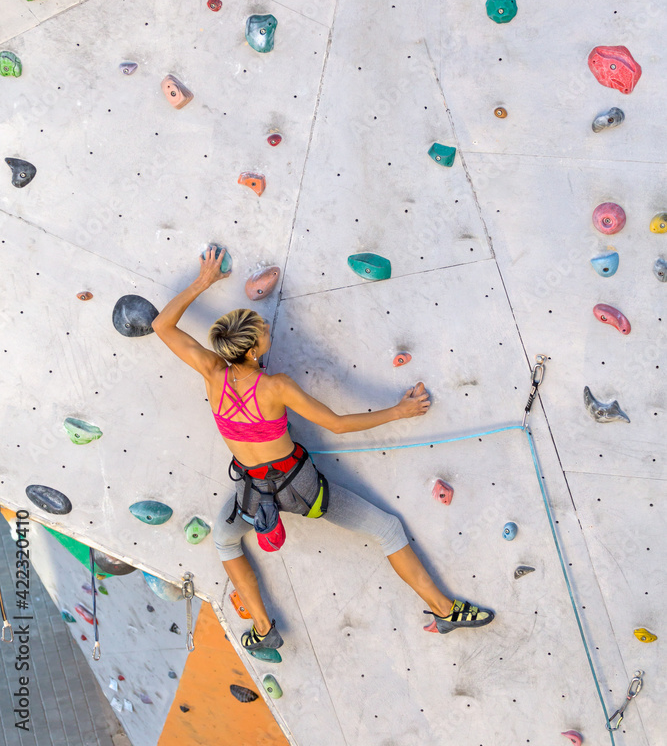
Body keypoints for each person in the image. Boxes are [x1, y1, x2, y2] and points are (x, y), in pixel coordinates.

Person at [152, 249, 494, 652]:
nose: (266, 329)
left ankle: (264, 629)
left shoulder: (212, 374)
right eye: (262, 329)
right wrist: (400, 411)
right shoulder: (275, 386)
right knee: (386, 529)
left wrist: (203, 280)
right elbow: (337, 424)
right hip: (305, 493)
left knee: (226, 541)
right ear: (253, 350)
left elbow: (162, 324)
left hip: (252, 495)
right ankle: (444, 609)